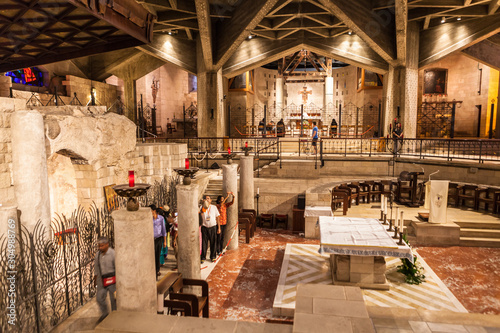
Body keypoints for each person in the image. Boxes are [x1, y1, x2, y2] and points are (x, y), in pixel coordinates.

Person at [94, 236, 116, 323]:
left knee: (113, 300)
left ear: (107, 244)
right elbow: (96, 267)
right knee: (99, 298)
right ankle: (105, 313)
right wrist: (95, 279)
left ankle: (115, 316)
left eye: (102, 246)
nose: (100, 248)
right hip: (102, 281)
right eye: (99, 246)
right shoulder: (98, 255)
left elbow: (117, 267)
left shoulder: (113, 254)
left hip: (113, 281)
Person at [200, 195, 220, 263]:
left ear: (211, 200)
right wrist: (204, 205)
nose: (207, 200)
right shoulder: (202, 207)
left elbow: (217, 217)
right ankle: (203, 257)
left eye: (208, 198)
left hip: (213, 227)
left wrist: (219, 228)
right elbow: (201, 213)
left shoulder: (214, 207)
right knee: (204, 243)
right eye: (206, 199)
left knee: (213, 242)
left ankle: (213, 256)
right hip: (205, 227)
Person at [215, 192, 235, 256]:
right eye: (222, 199)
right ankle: (217, 250)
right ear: (219, 200)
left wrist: (233, 197)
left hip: (224, 223)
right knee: (219, 237)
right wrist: (227, 196)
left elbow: (231, 203)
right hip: (219, 223)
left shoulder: (225, 205)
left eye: (223, 199)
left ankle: (221, 250)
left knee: (222, 237)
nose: (223, 200)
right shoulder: (217, 206)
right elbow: (221, 205)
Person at [152, 206, 167, 278]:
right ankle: (153, 271)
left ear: (154, 211)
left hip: (159, 239)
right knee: (152, 256)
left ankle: (157, 271)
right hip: (151, 239)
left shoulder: (161, 218)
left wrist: (165, 241)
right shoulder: (148, 219)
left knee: (157, 255)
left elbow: (164, 230)